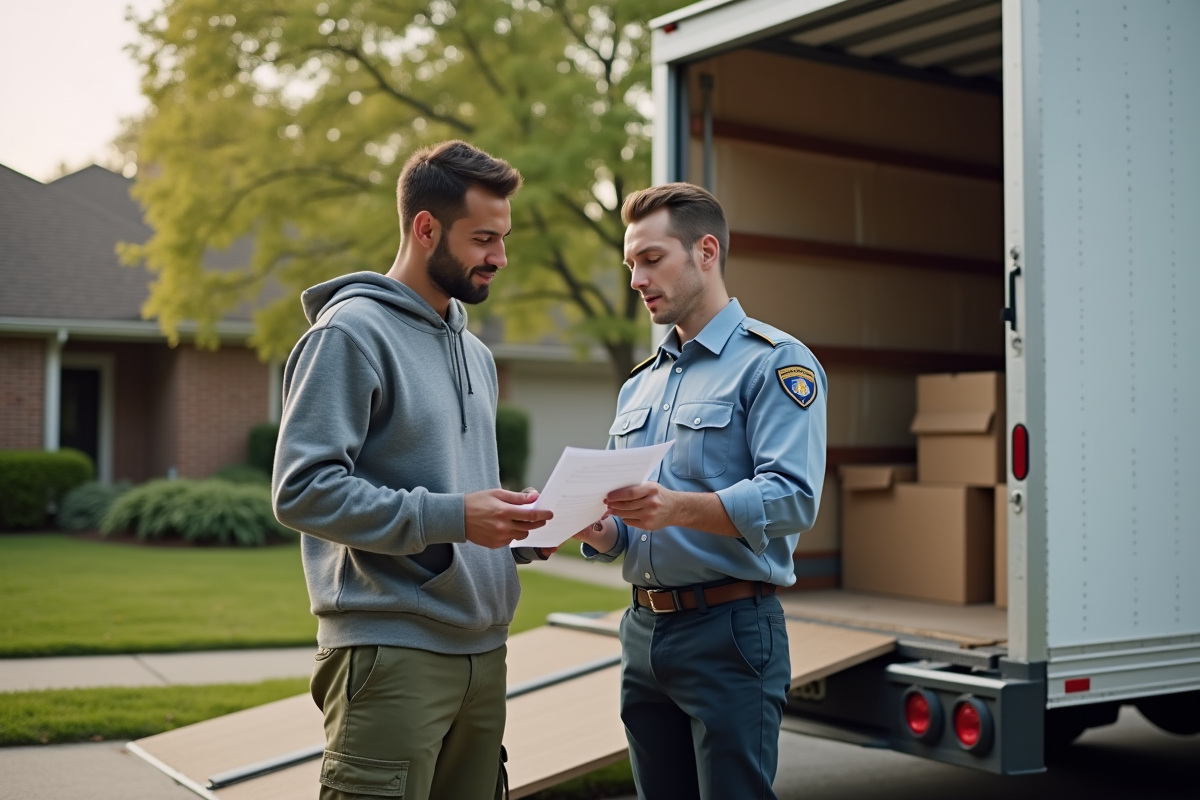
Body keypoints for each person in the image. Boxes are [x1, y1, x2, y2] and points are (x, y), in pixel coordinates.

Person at [272, 140, 554, 800]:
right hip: (392, 651)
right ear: (425, 229)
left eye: (503, 238)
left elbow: (457, 503)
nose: (500, 258)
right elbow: (302, 491)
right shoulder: (350, 334)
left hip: (484, 653)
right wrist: (456, 516)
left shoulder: (476, 353)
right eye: (484, 238)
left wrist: (513, 530)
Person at [573, 183, 827, 800]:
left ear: (705, 251)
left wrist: (676, 508)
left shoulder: (775, 363)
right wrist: (593, 525)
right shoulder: (639, 386)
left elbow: (794, 498)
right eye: (631, 263)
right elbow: (627, 524)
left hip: (731, 631)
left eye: (652, 259)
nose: (636, 278)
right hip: (642, 633)